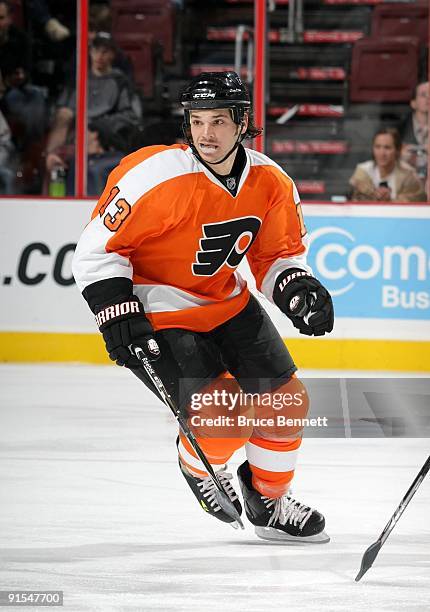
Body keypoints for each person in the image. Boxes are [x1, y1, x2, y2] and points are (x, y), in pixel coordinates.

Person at [72, 72, 334, 543]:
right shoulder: (154, 175)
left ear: (242, 122)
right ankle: (199, 464)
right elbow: (96, 250)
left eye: (217, 121)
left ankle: (268, 502)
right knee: (225, 419)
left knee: (288, 404)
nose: (205, 134)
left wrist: (295, 288)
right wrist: (115, 309)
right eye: (196, 121)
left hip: (227, 304)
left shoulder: (271, 182)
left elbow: (276, 257)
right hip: (160, 314)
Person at [44, 32, 138, 195]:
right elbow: (62, 110)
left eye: (105, 51)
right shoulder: (79, 79)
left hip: (102, 137)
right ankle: (51, 156)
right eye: (96, 50)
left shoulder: (120, 81)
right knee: (63, 116)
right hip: (75, 136)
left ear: (112, 54)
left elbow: (130, 116)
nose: (99, 56)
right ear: (90, 52)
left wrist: (99, 127)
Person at [349, 127, 426, 202]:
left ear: (397, 150)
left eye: (387, 148)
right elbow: (355, 200)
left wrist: (390, 200)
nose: (382, 153)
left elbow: (417, 202)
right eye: (377, 147)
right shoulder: (362, 171)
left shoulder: (408, 175)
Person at [399, 81, 429, 186]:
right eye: (423, 95)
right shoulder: (399, 130)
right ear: (413, 103)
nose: (428, 98)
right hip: (407, 185)